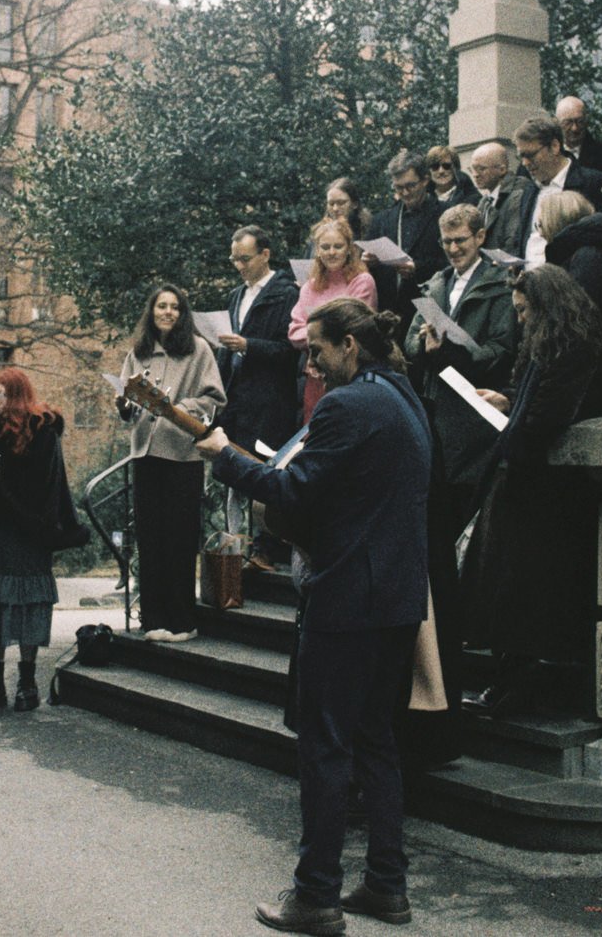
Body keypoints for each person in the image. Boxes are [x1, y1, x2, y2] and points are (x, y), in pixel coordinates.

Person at [194, 299, 429, 935]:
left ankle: (316, 895)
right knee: (377, 742)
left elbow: (292, 490)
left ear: (350, 345)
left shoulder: (346, 405)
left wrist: (223, 454)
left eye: (318, 351)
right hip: (399, 599)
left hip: (348, 597)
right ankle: (387, 886)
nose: (311, 367)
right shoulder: (405, 397)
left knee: (326, 748)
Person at [460, 266, 602, 717]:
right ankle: (512, 683)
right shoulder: (560, 341)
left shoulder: (572, 347)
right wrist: (508, 402)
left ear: (545, 308)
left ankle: (517, 687)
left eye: (524, 311)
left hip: (543, 489)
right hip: (533, 483)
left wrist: (514, 429)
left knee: (523, 594)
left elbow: (548, 415)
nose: (520, 321)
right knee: (516, 592)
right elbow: (537, 402)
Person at [401, 203, 520, 768]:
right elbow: (407, 345)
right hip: (435, 416)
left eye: (461, 241)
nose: (452, 250)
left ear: (480, 236)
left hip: (474, 418)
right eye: (446, 242)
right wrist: (424, 347)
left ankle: (464, 648)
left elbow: (502, 351)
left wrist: (454, 350)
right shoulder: (434, 285)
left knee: (465, 538)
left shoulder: (497, 285)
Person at [0, 367, 79, 714]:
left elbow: (44, 488)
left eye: (3, 395)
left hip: (29, 529)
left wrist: (0, 478)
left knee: (27, 604)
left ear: (18, 396)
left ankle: (28, 681)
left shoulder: (43, 432)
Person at [117, 284, 226, 641]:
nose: (168, 312)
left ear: (182, 313)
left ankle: (182, 621)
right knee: (150, 540)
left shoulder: (198, 349)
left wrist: (178, 408)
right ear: (151, 312)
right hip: (145, 453)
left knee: (179, 538)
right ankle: (153, 620)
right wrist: (124, 405)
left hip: (182, 455)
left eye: (174, 307)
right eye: (161, 306)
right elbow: (127, 399)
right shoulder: (138, 351)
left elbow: (214, 399)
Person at [217, 225, 302, 572]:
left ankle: (266, 550)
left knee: (264, 472)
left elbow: (291, 350)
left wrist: (249, 346)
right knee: (233, 474)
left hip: (270, 399)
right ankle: (234, 551)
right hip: (237, 398)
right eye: (234, 259)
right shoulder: (236, 295)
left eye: (245, 259)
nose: (239, 266)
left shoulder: (286, 293)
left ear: (265, 255)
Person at [287, 218, 377, 422]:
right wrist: (328, 333)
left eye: (338, 246)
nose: (331, 252)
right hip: (316, 376)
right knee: (314, 430)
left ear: (349, 248)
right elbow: (294, 333)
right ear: (318, 251)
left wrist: (313, 333)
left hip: (350, 375)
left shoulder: (362, 282)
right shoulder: (309, 286)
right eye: (325, 247)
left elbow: (355, 330)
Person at [536, 190, 602, 370]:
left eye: (540, 224)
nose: (540, 233)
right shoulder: (582, 255)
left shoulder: (587, 258)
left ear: (554, 222)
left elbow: (578, 317)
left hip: (596, 364)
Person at [507, 115, 602, 265]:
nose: (525, 163)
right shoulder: (528, 191)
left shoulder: (594, 184)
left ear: (555, 146)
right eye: (521, 157)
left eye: (530, 155)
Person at [365, 149, 448, 320]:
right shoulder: (382, 219)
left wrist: (417, 268)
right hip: (387, 312)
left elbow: (451, 262)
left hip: (427, 310)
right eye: (398, 187)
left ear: (425, 180)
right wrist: (367, 261)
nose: (405, 193)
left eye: (410, 186)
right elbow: (365, 265)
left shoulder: (445, 214)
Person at [467, 141, 528, 256]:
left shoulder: (518, 194)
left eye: (481, 169)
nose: (475, 175)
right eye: (473, 169)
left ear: (502, 170)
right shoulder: (485, 200)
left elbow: (512, 244)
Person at [556, 95, 602, 177]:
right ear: (557, 123)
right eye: (567, 123)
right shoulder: (550, 156)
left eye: (580, 121)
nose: (574, 128)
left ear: (586, 120)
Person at [321, 176, 370, 242]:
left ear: (355, 204)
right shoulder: (320, 235)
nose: (335, 209)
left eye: (341, 203)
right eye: (331, 204)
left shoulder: (370, 231)